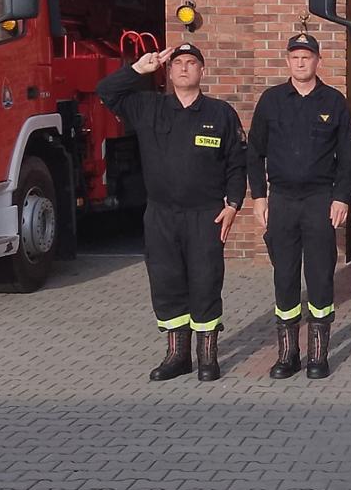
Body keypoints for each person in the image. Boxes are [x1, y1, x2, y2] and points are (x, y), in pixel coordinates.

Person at [98, 42, 245, 382]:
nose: (184, 68)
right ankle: (177, 356)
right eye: (178, 63)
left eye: (191, 62)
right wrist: (139, 68)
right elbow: (105, 92)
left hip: (206, 215)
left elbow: (238, 163)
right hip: (161, 215)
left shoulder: (220, 113)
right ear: (168, 71)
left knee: (206, 282)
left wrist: (233, 205)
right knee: (167, 283)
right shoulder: (149, 107)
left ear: (202, 71)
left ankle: (207, 357)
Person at [246, 33, 351, 380]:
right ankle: (288, 354)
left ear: (317, 61)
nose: (301, 62)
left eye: (307, 57)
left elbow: (348, 157)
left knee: (321, 276)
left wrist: (341, 197)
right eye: (295, 57)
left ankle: (318, 355)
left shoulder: (334, 101)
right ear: (288, 61)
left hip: (320, 200)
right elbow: (254, 152)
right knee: (284, 276)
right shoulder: (272, 100)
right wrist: (258, 196)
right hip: (282, 200)